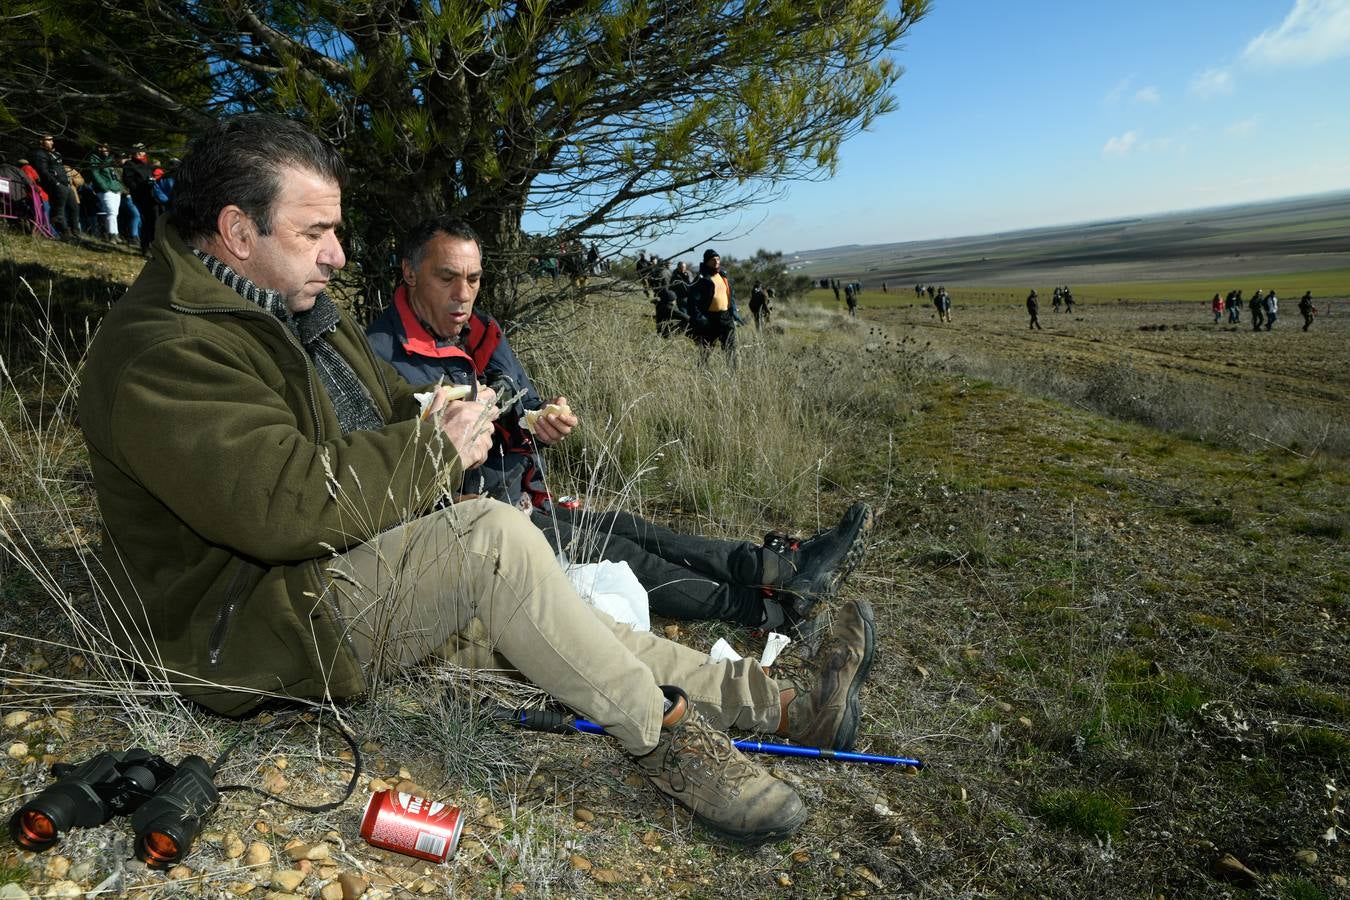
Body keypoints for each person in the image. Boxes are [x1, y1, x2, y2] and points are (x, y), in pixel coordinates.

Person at [79, 114, 882, 845]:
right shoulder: (166, 349)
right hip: (248, 628)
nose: (337, 254)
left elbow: (387, 408)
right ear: (236, 231)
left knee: (559, 617)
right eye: (315, 230)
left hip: (322, 576)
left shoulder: (295, 313)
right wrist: (432, 452)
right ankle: (666, 743)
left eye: (337, 230)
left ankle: (783, 708)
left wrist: (440, 418)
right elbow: (277, 504)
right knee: (491, 542)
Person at [367, 216, 872, 633]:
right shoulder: (379, 360)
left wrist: (544, 420)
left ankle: (779, 567)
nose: (464, 295)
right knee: (623, 555)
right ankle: (771, 613)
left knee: (637, 529)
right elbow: (378, 481)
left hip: (521, 497)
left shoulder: (482, 332)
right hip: (472, 527)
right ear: (410, 273)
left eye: (474, 279)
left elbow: (525, 403)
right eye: (447, 278)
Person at [689, 249, 742, 360]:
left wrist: (733, 313)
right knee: (706, 352)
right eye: (713, 260)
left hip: (726, 317)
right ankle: (702, 370)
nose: (716, 262)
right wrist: (701, 320)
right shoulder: (701, 279)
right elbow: (693, 302)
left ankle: (733, 370)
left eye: (718, 259)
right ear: (706, 261)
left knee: (731, 349)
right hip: (709, 319)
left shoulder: (723, 275)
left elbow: (730, 296)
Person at [31, 134, 78, 239]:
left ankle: (75, 232)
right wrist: (55, 183)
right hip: (57, 185)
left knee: (74, 207)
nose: (51, 142)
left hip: (65, 184)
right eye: (48, 140)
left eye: (52, 140)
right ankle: (65, 234)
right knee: (59, 211)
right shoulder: (39, 154)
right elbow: (43, 171)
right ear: (41, 141)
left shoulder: (55, 154)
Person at [85, 142, 125, 242]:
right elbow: (95, 174)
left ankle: (115, 234)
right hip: (106, 190)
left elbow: (116, 175)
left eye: (107, 147)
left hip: (116, 189)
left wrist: (119, 187)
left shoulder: (111, 160)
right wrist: (105, 187)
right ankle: (111, 234)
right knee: (111, 211)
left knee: (114, 213)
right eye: (103, 147)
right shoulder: (94, 160)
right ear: (98, 148)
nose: (106, 150)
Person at [122, 143, 157, 252]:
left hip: (151, 196)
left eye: (140, 150)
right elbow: (128, 180)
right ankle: (145, 246)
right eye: (136, 150)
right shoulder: (129, 164)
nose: (138, 152)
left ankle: (153, 245)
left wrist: (152, 182)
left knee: (153, 220)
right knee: (144, 220)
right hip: (139, 196)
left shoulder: (148, 165)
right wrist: (140, 187)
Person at [17, 158, 54, 238]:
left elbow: (30, 181)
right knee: (44, 217)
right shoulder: (31, 168)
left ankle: (49, 234)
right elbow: (37, 179)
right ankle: (49, 234)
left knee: (41, 217)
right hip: (41, 195)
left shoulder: (25, 169)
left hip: (36, 195)